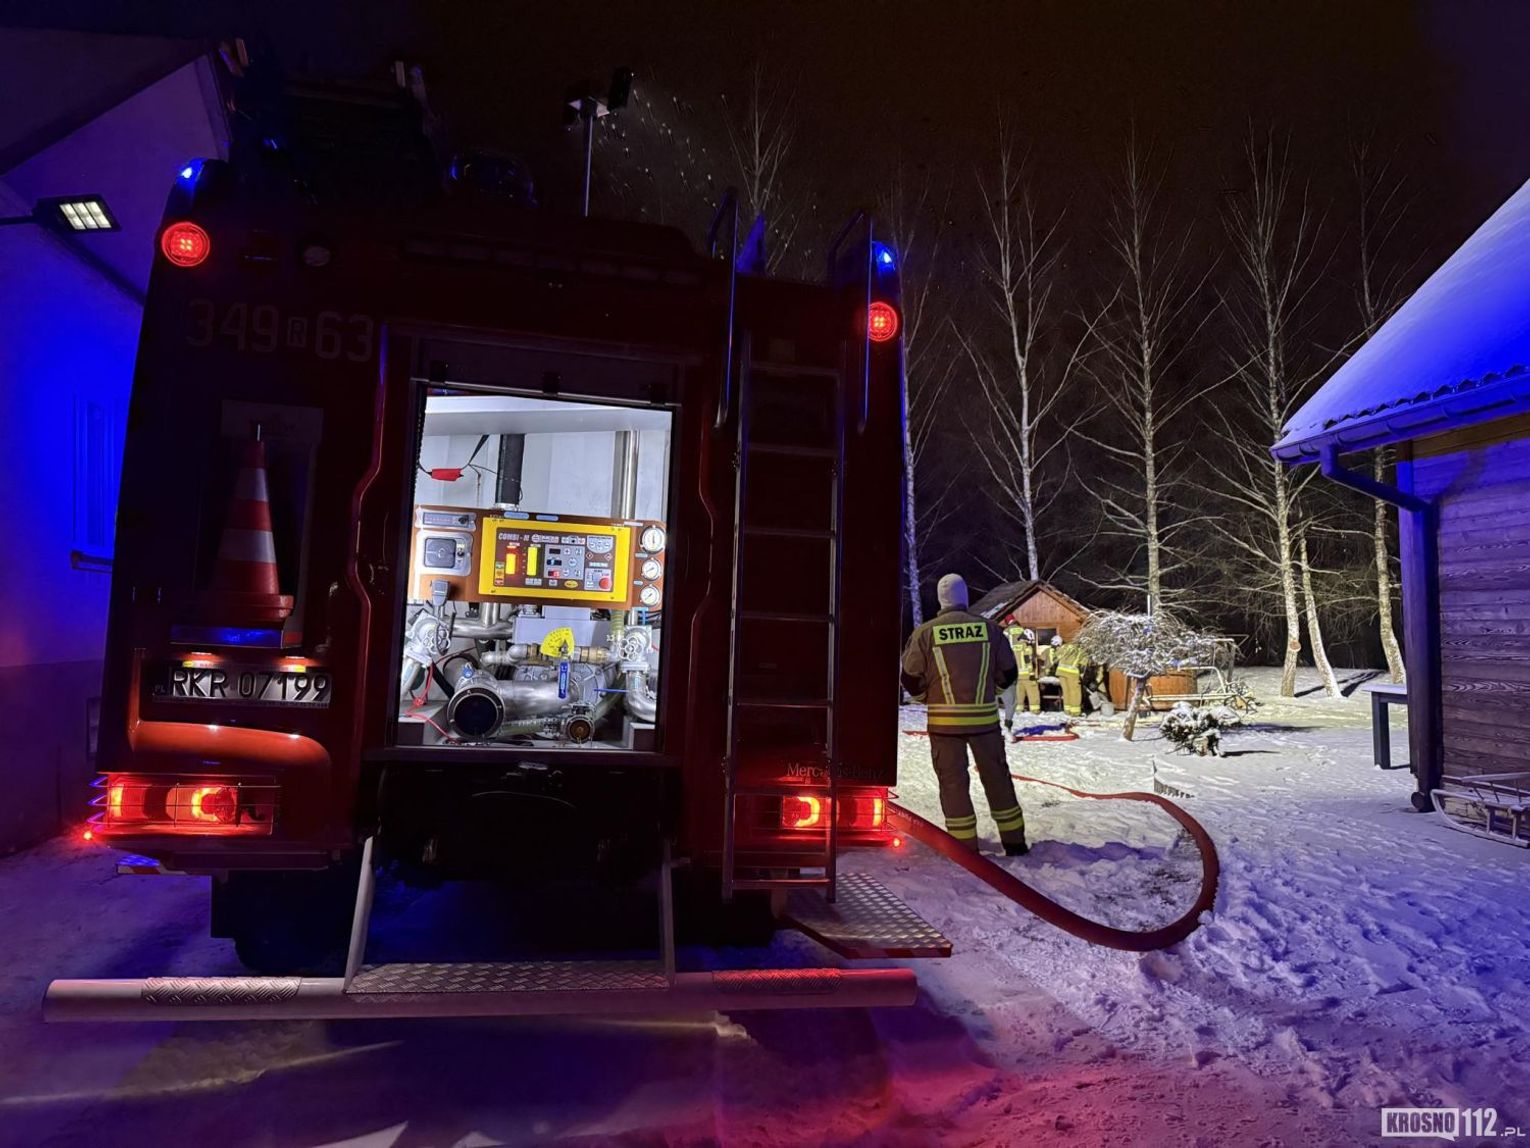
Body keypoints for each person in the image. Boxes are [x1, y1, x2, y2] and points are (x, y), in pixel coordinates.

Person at [901, 574, 1029, 855]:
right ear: (965, 597)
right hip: (984, 722)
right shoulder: (991, 630)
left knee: (953, 783)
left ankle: (964, 848)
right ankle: (1014, 842)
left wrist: (926, 698)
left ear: (940, 599)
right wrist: (991, 692)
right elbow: (1009, 672)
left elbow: (909, 677)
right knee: (997, 778)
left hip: (944, 725)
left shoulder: (925, 633)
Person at [1054, 634, 1086, 717]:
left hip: (1061, 672)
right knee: (1075, 692)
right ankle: (1075, 712)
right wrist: (1081, 676)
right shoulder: (1082, 651)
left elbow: (1056, 656)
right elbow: (1083, 666)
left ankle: (1067, 710)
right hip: (1072, 673)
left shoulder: (1066, 646)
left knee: (1066, 691)